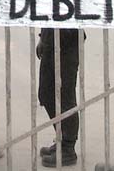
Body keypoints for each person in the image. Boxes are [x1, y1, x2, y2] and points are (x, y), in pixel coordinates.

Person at [36, 29, 81, 167]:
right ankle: (62, 138)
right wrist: (42, 38)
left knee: (65, 97)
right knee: (46, 94)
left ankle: (68, 147)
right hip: (50, 41)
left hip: (68, 43)